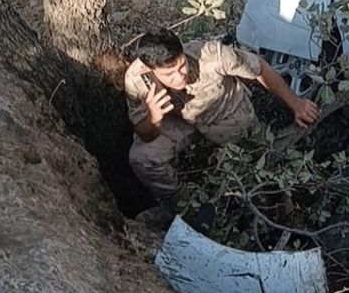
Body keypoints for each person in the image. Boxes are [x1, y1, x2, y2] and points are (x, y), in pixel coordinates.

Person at [125, 29, 321, 206]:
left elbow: (259, 68)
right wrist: (154, 119)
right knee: (142, 158)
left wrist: (296, 103)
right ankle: (185, 207)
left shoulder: (213, 56)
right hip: (180, 120)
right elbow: (145, 134)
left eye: (182, 66)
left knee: (261, 163)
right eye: (169, 74)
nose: (179, 77)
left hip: (228, 114)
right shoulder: (136, 79)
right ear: (150, 69)